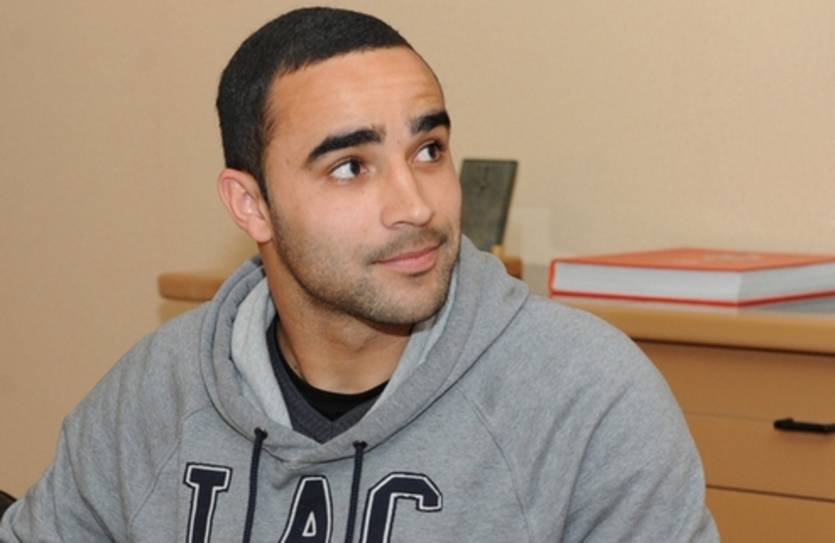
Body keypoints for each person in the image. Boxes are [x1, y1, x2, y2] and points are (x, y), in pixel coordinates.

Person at [0, 7, 718, 542]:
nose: (415, 206)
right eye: (350, 167)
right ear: (252, 205)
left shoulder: (587, 400)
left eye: (429, 150)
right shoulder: (154, 396)